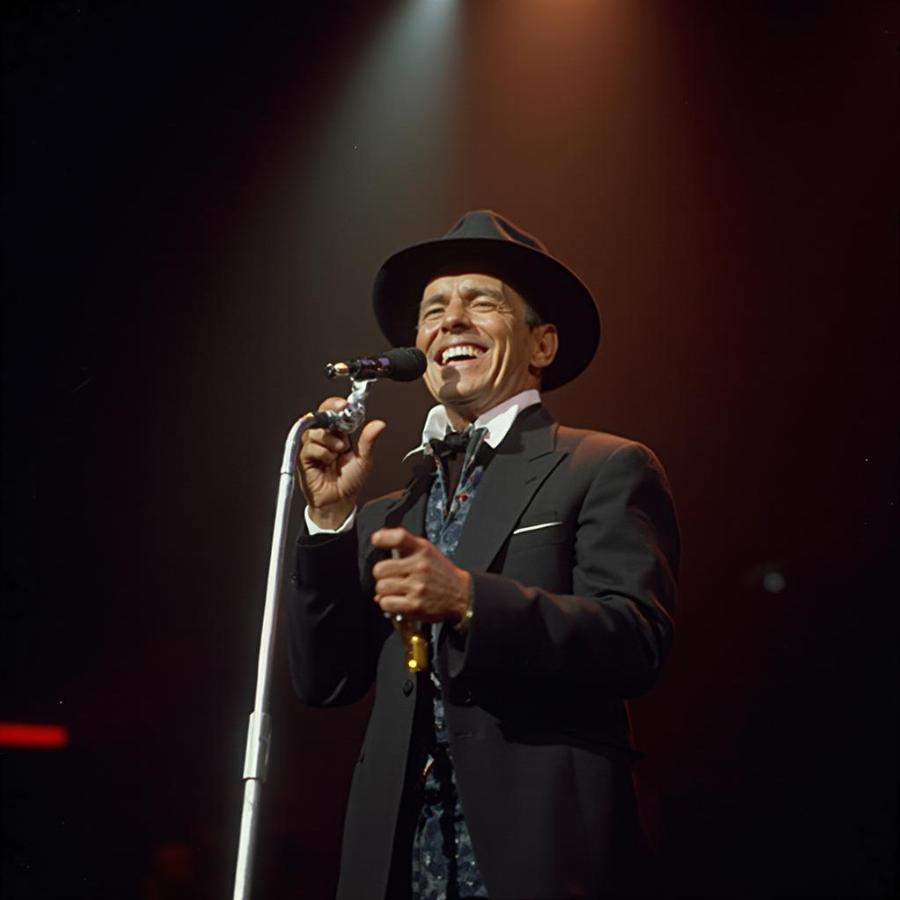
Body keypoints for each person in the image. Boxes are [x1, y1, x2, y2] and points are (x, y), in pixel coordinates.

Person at [287, 210, 680, 900]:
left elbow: (635, 640)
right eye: (434, 310)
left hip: (538, 849)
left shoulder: (601, 467)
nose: (452, 321)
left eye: (482, 303)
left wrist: (470, 601)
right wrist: (327, 519)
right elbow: (325, 682)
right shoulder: (388, 510)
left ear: (543, 344)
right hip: (400, 858)